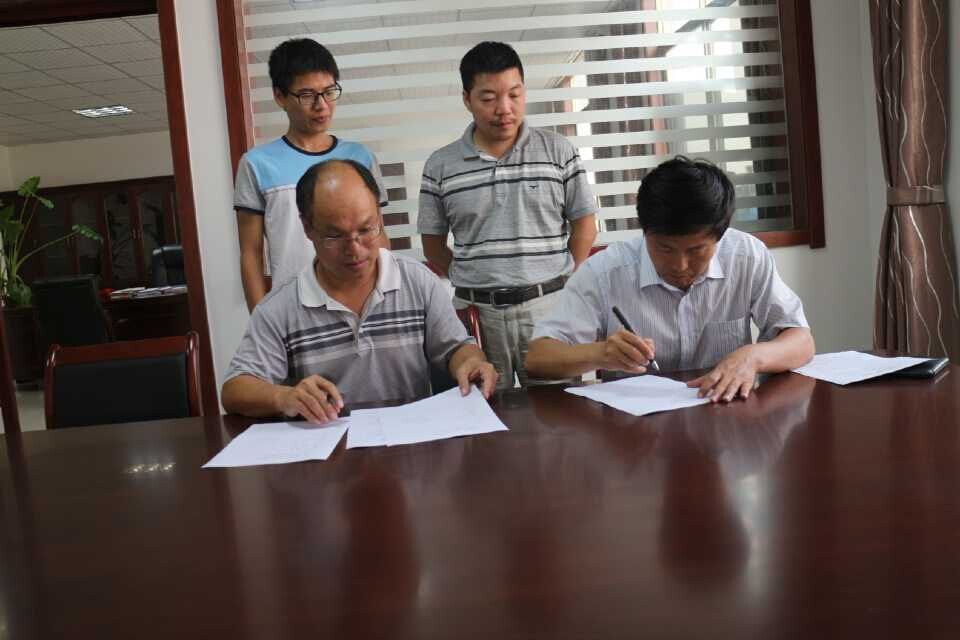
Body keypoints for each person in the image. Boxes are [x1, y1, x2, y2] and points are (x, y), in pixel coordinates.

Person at [222, 159, 497, 423]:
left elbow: (456, 349)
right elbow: (235, 389)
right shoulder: (281, 307)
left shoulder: (417, 282)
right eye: (335, 236)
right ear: (307, 228)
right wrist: (283, 397)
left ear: (379, 216)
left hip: (410, 439)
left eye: (366, 229)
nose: (354, 249)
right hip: (330, 443)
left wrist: (471, 362)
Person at [525, 156, 815, 402]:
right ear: (644, 231)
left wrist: (752, 357)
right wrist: (600, 353)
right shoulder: (604, 273)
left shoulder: (746, 256)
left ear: (721, 235)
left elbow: (801, 341)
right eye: (665, 249)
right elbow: (538, 359)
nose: (680, 265)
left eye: (696, 250)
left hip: (723, 415)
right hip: (636, 428)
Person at [417, 41, 598, 390]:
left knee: (557, 409)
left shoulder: (558, 151)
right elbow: (432, 245)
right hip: (476, 315)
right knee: (482, 409)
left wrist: (560, 281)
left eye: (514, 95)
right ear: (467, 99)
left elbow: (585, 226)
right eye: (488, 98)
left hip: (548, 309)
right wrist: (471, 276)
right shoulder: (440, 166)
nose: (504, 109)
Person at [234, 38, 388, 312]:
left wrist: (386, 297)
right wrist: (260, 319)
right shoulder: (257, 164)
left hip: (362, 302)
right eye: (307, 95)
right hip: (294, 307)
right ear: (280, 96)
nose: (322, 105)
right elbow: (250, 253)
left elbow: (379, 235)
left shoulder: (360, 157)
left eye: (329, 92)